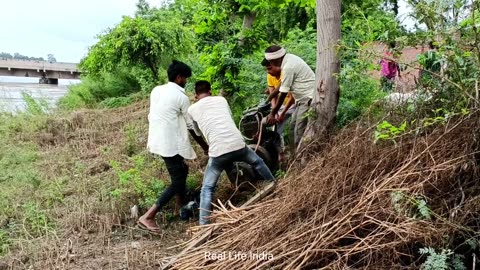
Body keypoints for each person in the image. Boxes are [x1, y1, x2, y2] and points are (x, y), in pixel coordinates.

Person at [188, 80, 276, 225]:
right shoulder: (221, 100)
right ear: (210, 91)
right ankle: (273, 184)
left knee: (207, 188)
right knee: (258, 162)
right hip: (238, 144)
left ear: (196, 95)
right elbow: (227, 116)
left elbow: (197, 131)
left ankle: (203, 225)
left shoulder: (192, 109)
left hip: (218, 153)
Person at [139, 60, 209, 233]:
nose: (186, 82)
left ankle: (180, 204)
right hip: (170, 143)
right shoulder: (181, 97)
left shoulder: (157, 90)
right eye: (185, 78)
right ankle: (148, 216)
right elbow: (190, 125)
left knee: (182, 170)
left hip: (158, 139)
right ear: (179, 78)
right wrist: (204, 146)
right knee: (177, 180)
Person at [263, 45, 315, 152]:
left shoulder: (288, 67)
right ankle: (293, 156)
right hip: (300, 100)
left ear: (275, 60)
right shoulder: (288, 60)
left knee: (299, 130)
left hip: (307, 97)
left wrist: (273, 112)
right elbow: (282, 83)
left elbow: (283, 93)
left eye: (270, 62)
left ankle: (302, 159)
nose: (270, 64)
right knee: (292, 129)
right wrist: (270, 97)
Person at [261, 58, 295, 158]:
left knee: (294, 126)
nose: (269, 72)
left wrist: (283, 113)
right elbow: (273, 95)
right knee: (272, 125)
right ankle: (280, 152)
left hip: (293, 103)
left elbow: (292, 97)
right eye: (267, 69)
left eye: (270, 68)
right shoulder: (270, 76)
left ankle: (294, 150)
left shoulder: (286, 74)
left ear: (277, 64)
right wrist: (274, 112)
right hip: (280, 106)